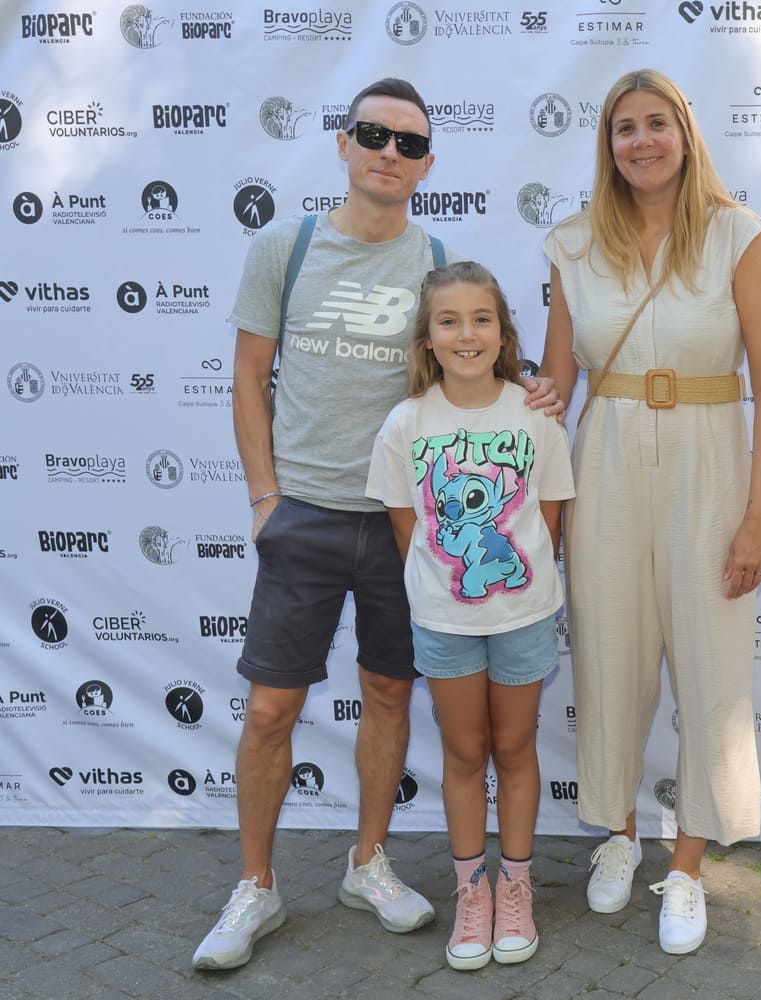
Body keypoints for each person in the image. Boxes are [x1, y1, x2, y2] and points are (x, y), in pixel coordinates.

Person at [194, 77, 558, 971]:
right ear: (344, 144)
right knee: (273, 708)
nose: (389, 154)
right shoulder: (288, 245)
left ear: (428, 164)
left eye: (408, 144)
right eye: (374, 136)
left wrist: (541, 386)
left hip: (413, 530)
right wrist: (264, 498)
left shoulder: (436, 258)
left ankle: (369, 862)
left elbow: (482, 368)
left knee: (391, 694)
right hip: (306, 516)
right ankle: (256, 887)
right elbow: (248, 378)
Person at [540, 68, 761, 955]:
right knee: (609, 658)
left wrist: (757, 514)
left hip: (710, 460)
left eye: (656, 124)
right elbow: (557, 386)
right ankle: (617, 836)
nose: (640, 141)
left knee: (710, 669)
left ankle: (686, 866)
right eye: (623, 129)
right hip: (603, 458)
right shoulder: (571, 245)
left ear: (685, 134)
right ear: (606, 146)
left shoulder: (738, 235)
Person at [367, 261, 574, 970]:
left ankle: (516, 886)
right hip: (444, 620)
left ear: (503, 331)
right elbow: (408, 530)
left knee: (514, 750)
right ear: (427, 338)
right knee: (463, 754)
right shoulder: (405, 424)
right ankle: (471, 891)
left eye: (481, 319)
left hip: (522, 613)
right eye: (449, 321)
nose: (466, 334)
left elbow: (547, 521)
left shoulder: (535, 415)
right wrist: (449, 588)